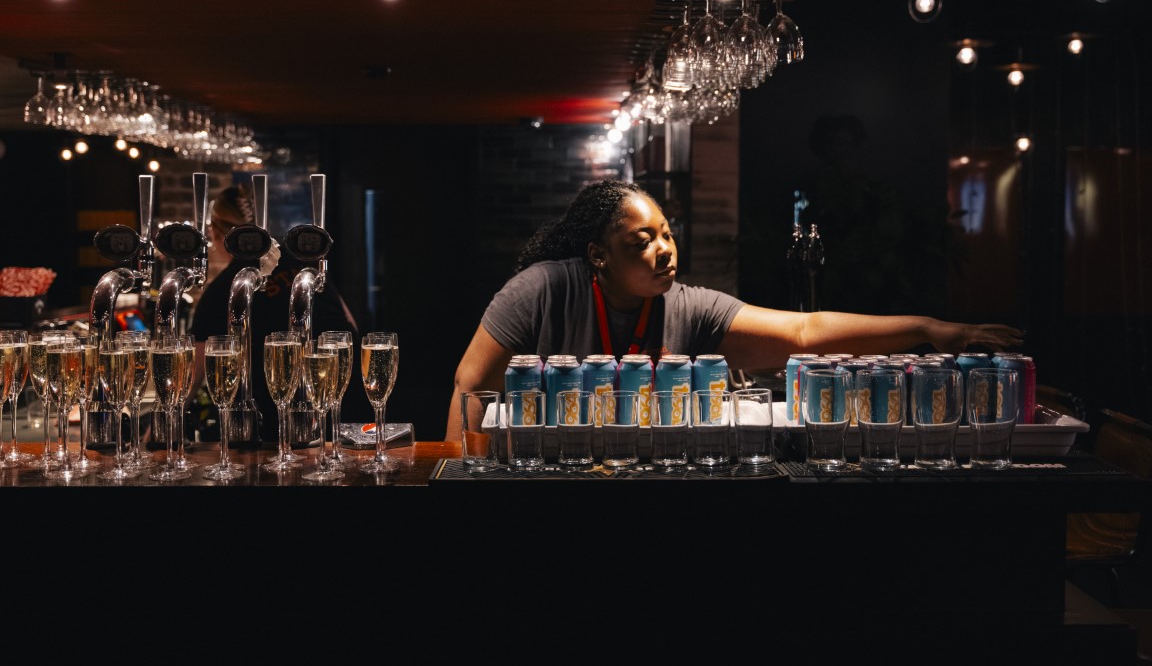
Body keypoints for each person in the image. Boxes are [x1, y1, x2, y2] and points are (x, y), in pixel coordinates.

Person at [446, 179, 1025, 440]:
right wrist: (460, 481)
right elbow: (469, 387)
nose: (663, 249)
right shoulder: (542, 289)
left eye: (666, 233)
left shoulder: (691, 307)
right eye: (640, 241)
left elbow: (804, 330)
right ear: (598, 254)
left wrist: (930, 328)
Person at [189, 184, 371, 444]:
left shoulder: (222, 290)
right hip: (347, 399)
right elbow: (349, 323)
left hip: (274, 422)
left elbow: (192, 378)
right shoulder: (303, 261)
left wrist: (154, 435)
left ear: (217, 234)